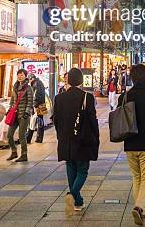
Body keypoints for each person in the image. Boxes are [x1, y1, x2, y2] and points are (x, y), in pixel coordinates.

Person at [118, 64, 145, 226]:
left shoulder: (124, 97)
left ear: (131, 77)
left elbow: (120, 119)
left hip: (130, 144)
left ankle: (141, 210)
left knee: (136, 177)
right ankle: (139, 207)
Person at [53, 67, 99, 216]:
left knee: (70, 166)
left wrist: (60, 136)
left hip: (66, 140)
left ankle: (78, 202)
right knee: (83, 169)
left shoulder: (59, 98)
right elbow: (92, 120)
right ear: (81, 81)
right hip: (83, 140)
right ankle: (72, 195)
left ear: (68, 80)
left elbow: (56, 120)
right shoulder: (87, 97)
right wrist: (96, 138)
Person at [6, 68, 33, 162]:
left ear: (25, 76)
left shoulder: (28, 88)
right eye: (18, 74)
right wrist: (9, 110)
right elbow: (12, 102)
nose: (19, 76)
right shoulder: (15, 87)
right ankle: (14, 152)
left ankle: (24, 154)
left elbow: (30, 102)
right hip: (14, 115)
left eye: (22, 75)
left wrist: (26, 112)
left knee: (22, 136)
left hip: (23, 115)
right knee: (9, 135)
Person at [26, 73, 46, 144]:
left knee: (35, 121)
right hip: (42, 104)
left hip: (38, 105)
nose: (29, 82)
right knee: (39, 121)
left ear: (32, 78)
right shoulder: (39, 82)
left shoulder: (36, 83)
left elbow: (36, 95)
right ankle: (38, 138)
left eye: (29, 80)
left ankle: (32, 138)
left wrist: (35, 106)